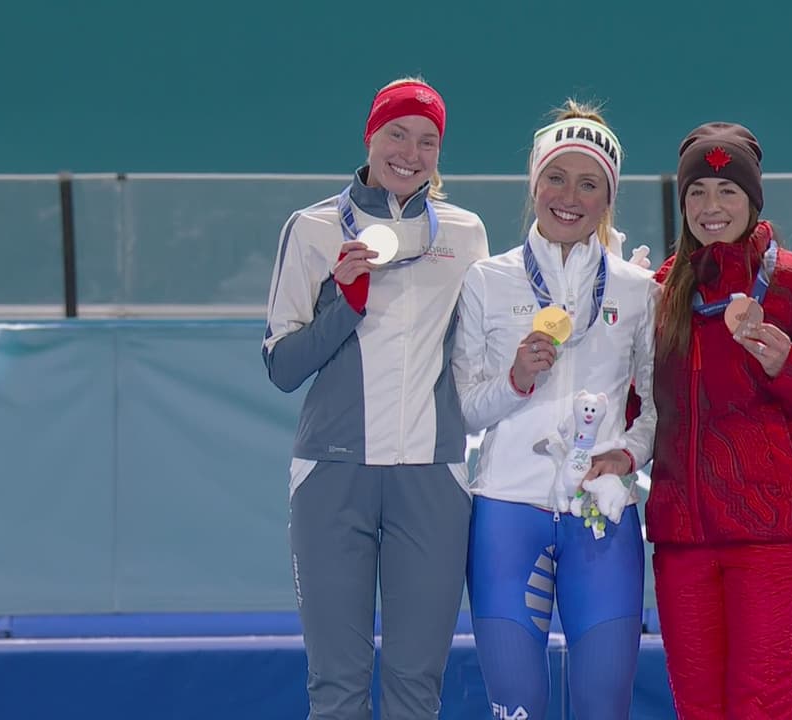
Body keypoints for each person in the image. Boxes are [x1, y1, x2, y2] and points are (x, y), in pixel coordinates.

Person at [262, 76, 490, 720]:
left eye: (427, 141)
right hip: (332, 475)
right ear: (370, 135)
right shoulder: (310, 230)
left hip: (432, 478)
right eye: (397, 133)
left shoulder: (467, 236)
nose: (410, 152)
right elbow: (281, 366)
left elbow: (477, 357)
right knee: (336, 688)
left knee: (417, 687)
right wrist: (346, 303)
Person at [645, 122, 792, 719]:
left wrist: (788, 364)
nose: (711, 206)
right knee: (697, 710)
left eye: (728, 191)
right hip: (685, 540)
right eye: (697, 191)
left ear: (753, 200)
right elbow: (640, 407)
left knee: (761, 709)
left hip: (777, 539)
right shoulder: (661, 291)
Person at [451, 100, 657, 720]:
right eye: (556, 178)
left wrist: (627, 455)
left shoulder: (636, 289)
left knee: (602, 708)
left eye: (589, 183)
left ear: (607, 199)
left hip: (602, 515)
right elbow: (462, 411)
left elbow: (658, 411)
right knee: (517, 707)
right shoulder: (486, 279)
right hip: (507, 512)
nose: (570, 196)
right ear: (534, 185)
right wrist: (515, 380)